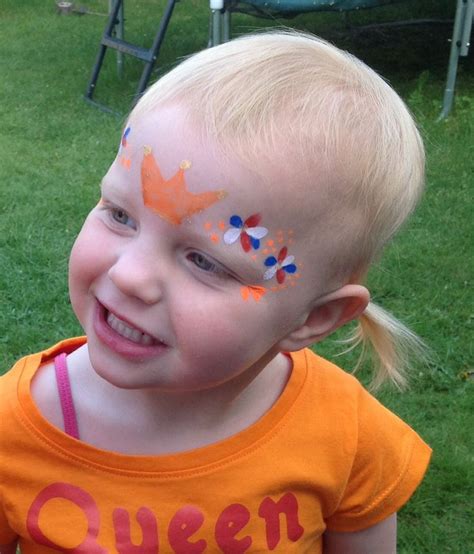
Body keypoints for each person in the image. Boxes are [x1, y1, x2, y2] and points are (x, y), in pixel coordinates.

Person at [0, 31, 431, 553]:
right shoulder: (14, 431)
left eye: (205, 261)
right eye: (120, 215)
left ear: (313, 318)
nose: (131, 275)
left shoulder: (347, 434)